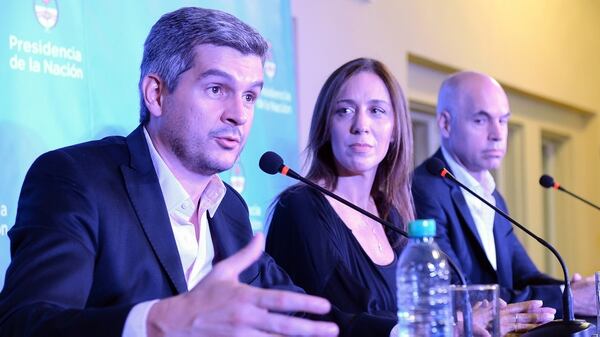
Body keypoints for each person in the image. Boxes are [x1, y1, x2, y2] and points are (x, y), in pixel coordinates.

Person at [0, 7, 339, 337]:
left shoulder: (229, 206)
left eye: (250, 96)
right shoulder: (75, 180)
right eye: (217, 89)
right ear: (156, 94)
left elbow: (299, 313)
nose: (239, 114)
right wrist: (155, 323)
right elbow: (26, 324)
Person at [266, 58, 555, 337]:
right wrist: (444, 325)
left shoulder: (392, 214)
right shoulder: (299, 208)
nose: (361, 125)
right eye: (344, 111)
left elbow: (426, 307)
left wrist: (464, 320)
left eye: (377, 111)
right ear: (326, 126)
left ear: (394, 129)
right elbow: (334, 319)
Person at [411, 70, 596, 318]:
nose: (497, 134)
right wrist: (570, 298)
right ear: (445, 124)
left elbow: (524, 276)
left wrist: (573, 289)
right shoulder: (425, 189)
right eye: (480, 120)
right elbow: (460, 295)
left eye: (503, 120)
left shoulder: (493, 196)